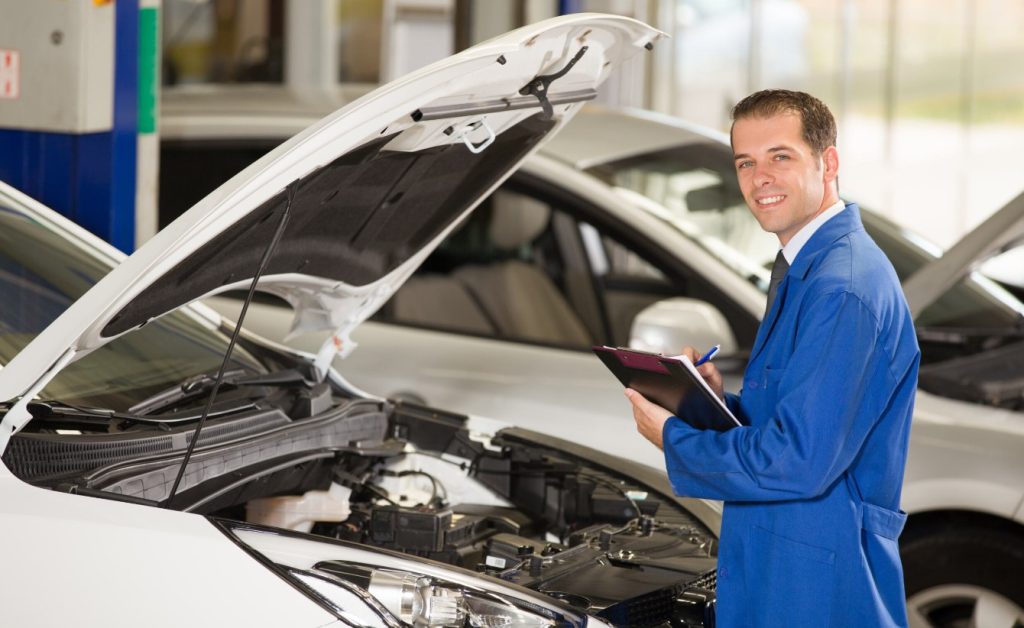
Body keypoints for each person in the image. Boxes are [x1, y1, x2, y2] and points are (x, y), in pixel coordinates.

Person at [625, 89, 920, 627]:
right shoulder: (807, 265)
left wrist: (674, 436)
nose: (759, 178)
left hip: (816, 580)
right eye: (745, 162)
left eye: (780, 156)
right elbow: (799, 415)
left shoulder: (842, 289)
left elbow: (798, 459)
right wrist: (705, 401)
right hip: (786, 560)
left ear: (828, 162)